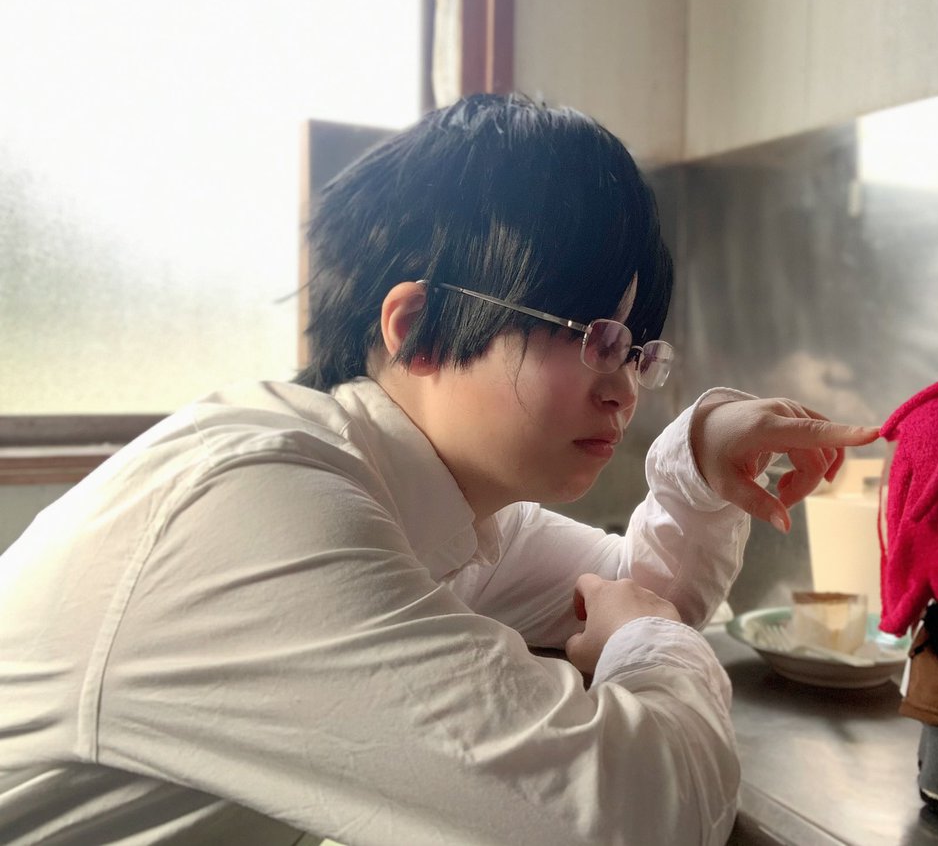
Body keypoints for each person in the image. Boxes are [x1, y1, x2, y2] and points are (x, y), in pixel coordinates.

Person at [0, 93, 878, 845]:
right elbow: (636, 817)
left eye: (634, 349)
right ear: (417, 329)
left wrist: (699, 459)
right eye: (589, 336)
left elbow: (638, 598)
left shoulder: (440, 506)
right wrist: (643, 639)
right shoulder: (262, 508)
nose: (623, 391)